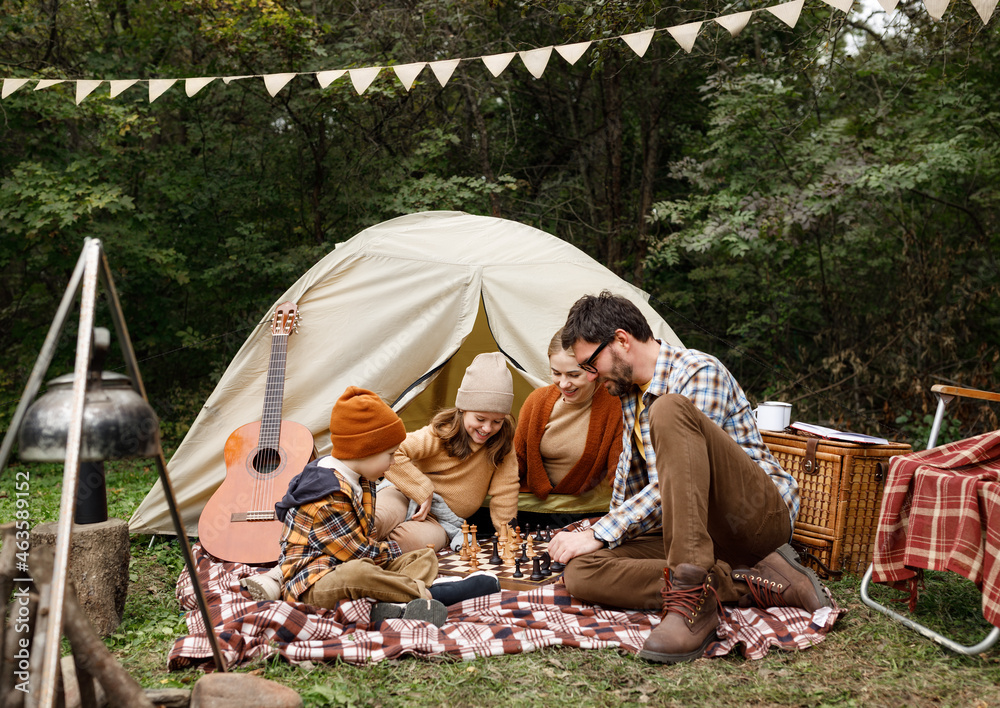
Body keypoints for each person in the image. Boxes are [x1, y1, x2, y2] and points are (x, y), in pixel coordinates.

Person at [547, 291, 829, 664]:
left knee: (668, 411)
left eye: (590, 364)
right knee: (582, 572)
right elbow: (636, 483)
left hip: (752, 520)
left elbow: (684, 479)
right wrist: (601, 540)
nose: (591, 377)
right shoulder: (629, 394)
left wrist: (601, 531)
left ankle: (692, 600)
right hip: (690, 533)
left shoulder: (698, 372)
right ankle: (743, 582)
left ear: (620, 340)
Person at [243, 386, 498, 622]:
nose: (392, 463)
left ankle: (393, 606)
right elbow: (358, 554)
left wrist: (394, 554)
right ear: (364, 451)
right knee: (359, 573)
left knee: (425, 557)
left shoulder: (362, 478)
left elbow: (367, 548)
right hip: (315, 582)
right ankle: (434, 594)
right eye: (389, 455)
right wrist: (392, 552)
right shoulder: (327, 494)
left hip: (348, 562)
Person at [373, 352, 520, 552]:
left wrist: (507, 534)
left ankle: (368, 561)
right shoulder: (441, 433)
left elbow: (506, 491)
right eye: (480, 419)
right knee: (377, 520)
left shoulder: (502, 444)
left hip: (442, 521)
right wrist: (422, 489)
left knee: (407, 544)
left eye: (497, 421)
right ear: (462, 410)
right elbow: (391, 451)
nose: (487, 428)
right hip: (403, 494)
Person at [514, 328, 623, 520]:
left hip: (588, 512)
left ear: (593, 370)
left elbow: (620, 473)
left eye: (573, 375)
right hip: (533, 508)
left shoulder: (615, 406)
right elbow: (516, 461)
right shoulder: (537, 401)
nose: (563, 384)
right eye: (556, 373)